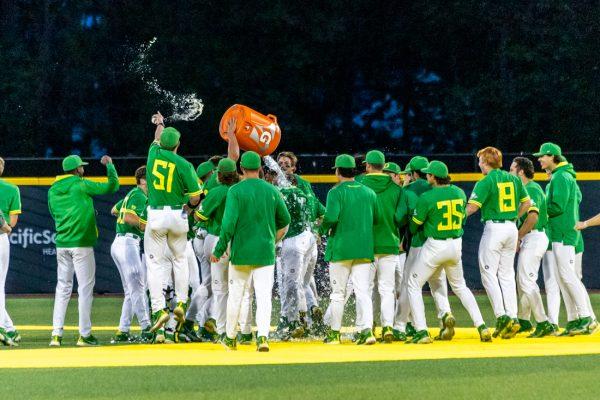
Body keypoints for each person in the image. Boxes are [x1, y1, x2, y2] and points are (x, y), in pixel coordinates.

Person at [211, 151, 291, 352]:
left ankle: (230, 338)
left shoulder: (235, 191)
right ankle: (263, 337)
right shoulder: (271, 190)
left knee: (236, 295)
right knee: (264, 296)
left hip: (242, 252)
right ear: (261, 169)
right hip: (265, 251)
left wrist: (219, 249)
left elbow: (228, 225)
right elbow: (285, 221)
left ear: (241, 169)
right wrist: (273, 240)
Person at [407, 161, 492, 343]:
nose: (427, 176)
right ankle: (481, 326)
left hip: (435, 246)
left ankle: (421, 331)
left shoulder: (427, 197)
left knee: (413, 284)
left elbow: (414, 226)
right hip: (455, 245)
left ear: (433, 177)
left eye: (429, 174)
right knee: (460, 286)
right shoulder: (459, 192)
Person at [48, 154, 119, 346]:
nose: (83, 169)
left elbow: (54, 213)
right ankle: (84, 335)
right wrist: (110, 166)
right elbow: (112, 186)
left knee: (62, 288)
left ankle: (56, 335)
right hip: (81, 243)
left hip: (62, 243)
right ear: (77, 169)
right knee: (85, 288)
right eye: (81, 167)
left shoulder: (53, 189)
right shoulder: (81, 184)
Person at [145, 112, 201, 342]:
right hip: (178, 214)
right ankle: (180, 301)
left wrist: (159, 123)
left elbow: (158, 138)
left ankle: (159, 309)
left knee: (155, 264)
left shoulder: (153, 153)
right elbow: (196, 198)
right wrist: (188, 207)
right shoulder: (184, 164)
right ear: (178, 144)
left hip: (156, 215)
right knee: (180, 259)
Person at [466, 146, 530, 339]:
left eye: (480, 161)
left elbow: (472, 208)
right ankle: (513, 317)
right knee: (507, 275)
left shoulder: (486, 181)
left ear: (486, 162)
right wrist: (513, 218)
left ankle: (502, 316)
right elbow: (527, 203)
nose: (479, 164)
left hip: (495, 229)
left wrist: (456, 216)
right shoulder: (513, 179)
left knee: (488, 274)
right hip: (511, 228)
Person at [535, 143, 595, 335]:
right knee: (565, 277)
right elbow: (576, 197)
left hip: (563, 232)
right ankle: (575, 319)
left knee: (568, 276)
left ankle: (586, 317)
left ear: (552, 156)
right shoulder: (563, 176)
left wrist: (538, 211)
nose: (539, 159)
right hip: (563, 231)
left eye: (542, 156)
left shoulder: (561, 176)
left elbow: (557, 207)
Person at [320, 154, 378, 345]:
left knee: (338, 293)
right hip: (363, 248)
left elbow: (331, 217)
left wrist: (320, 230)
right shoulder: (369, 192)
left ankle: (334, 334)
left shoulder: (335, 192)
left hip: (341, 249)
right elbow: (375, 219)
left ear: (337, 171)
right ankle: (367, 331)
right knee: (363, 292)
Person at [394, 156, 452, 341]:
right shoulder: (436, 187)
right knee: (438, 283)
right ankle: (445, 316)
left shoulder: (409, 190)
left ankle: (401, 325)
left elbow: (400, 217)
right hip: (440, 243)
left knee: (409, 284)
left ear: (413, 173)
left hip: (418, 243)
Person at [360, 150, 408, 342]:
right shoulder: (398, 189)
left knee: (366, 289)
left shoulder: (358, 184)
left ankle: (367, 328)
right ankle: (388, 325)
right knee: (387, 289)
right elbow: (400, 217)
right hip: (389, 243)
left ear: (368, 166)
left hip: (365, 245)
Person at [509, 157, 554, 337]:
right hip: (531, 237)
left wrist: (518, 237)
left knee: (527, 281)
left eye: (512, 169)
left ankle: (544, 322)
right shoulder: (525, 189)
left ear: (521, 172)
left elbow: (533, 218)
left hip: (535, 236)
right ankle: (524, 320)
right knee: (523, 280)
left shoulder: (531, 188)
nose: (509, 172)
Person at [109, 166, 152, 343]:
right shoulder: (139, 195)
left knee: (130, 290)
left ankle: (123, 330)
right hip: (127, 243)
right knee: (138, 287)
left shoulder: (133, 194)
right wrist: (145, 226)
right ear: (143, 180)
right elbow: (127, 217)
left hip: (121, 242)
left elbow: (114, 210)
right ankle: (146, 328)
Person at [0, 157, 22, 346]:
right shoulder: (12, 189)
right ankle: (8, 328)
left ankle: (6, 328)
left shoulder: (11, 189)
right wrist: (4, 226)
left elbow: (11, 224)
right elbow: (11, 224)